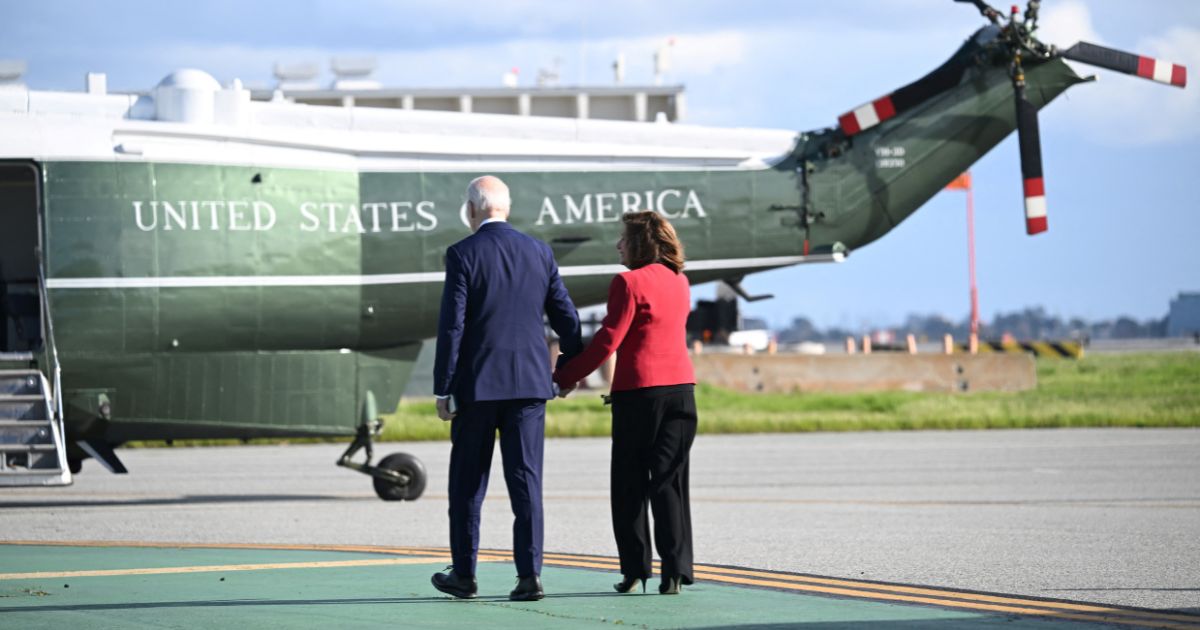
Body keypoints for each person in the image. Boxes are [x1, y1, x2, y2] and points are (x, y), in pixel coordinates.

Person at [431, 175, 582, 602]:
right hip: (531, 386)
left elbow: (453, 325)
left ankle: (464, 574)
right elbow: (566, 318)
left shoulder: (462, 253)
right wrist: (568, 366)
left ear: (471, 210)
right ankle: (529, 575)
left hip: (478, 386)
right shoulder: (540, 252)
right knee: (526, 482)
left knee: (467, 484)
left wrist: (443, 388)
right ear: (507, 209)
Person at [553, 210, 697, 595]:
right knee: (670, 483)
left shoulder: (628, 282)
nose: (618, 244)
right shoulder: (680, 281)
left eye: (623, 238)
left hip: (640, 394)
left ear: (637, 244)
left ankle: (635, 571)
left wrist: (564, 377)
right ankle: (675, 572)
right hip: (682, 391)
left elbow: (606, 341)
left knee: (629, 484)